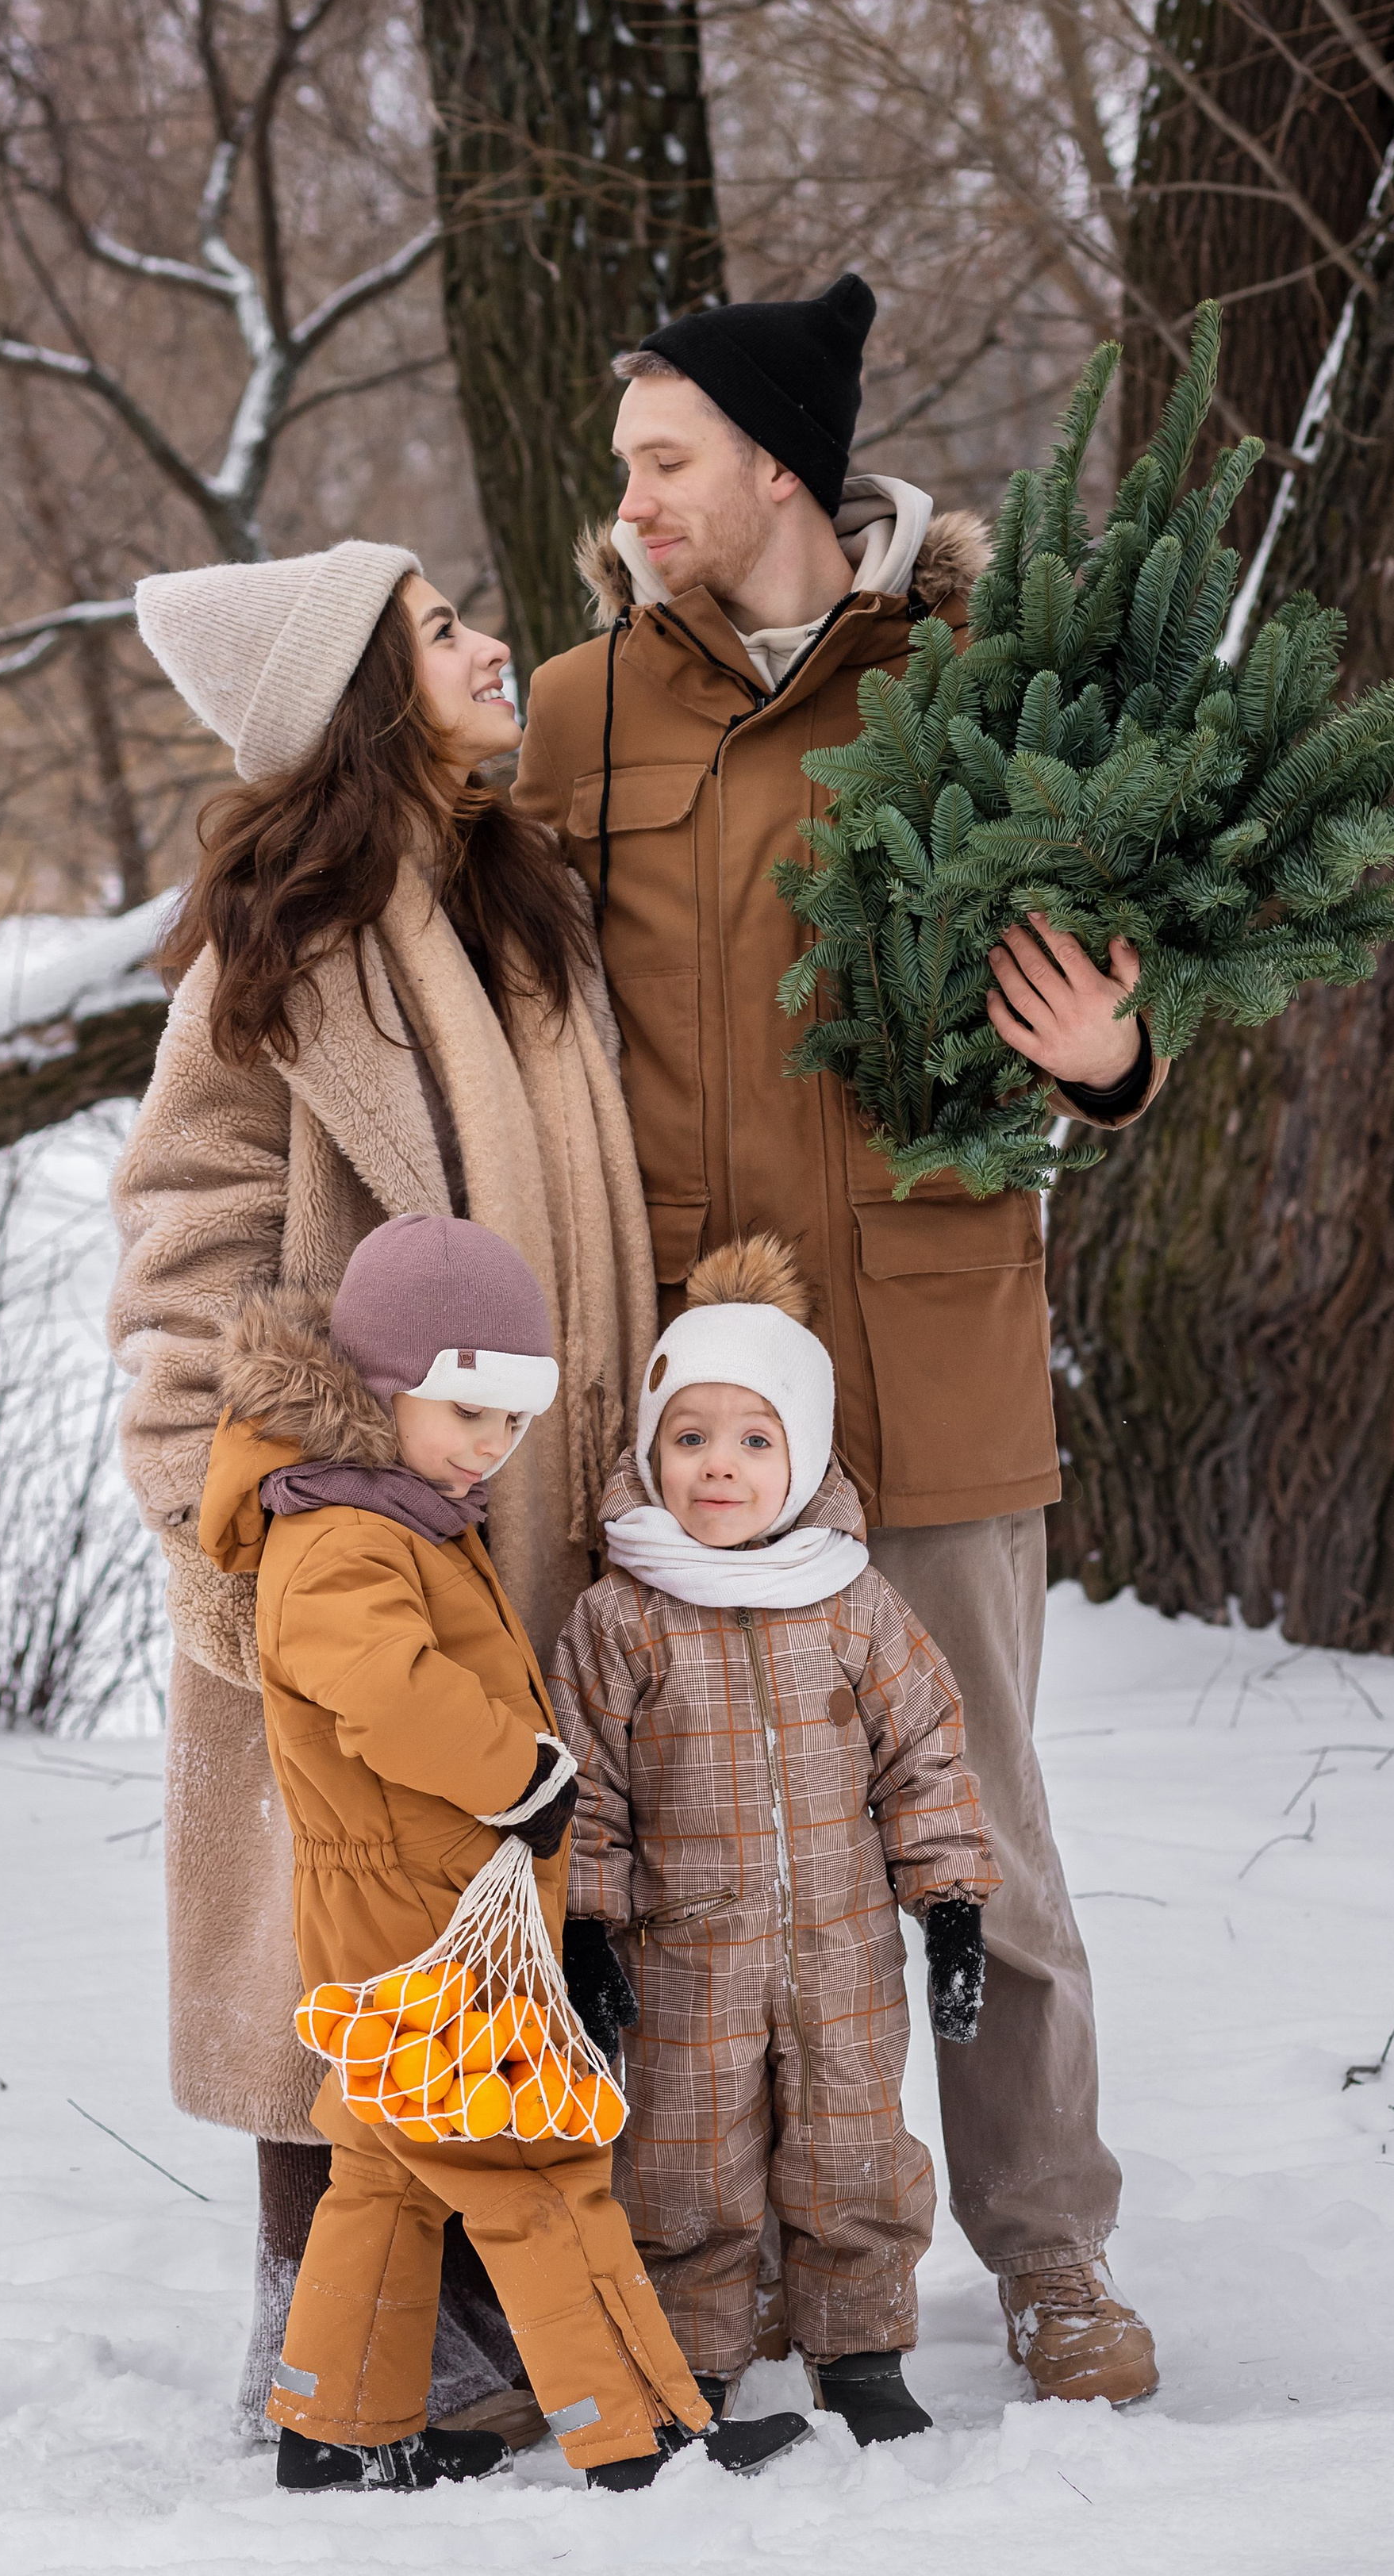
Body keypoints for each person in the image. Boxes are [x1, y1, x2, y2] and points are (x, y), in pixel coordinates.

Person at [513, 274, 1166, 2405]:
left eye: (666, 460)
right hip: (687, 1388)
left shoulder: (979, 687)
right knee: (693, 1858)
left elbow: (1150, 959)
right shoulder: (579, 711)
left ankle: (1052, 2254)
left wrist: (1117, 1062)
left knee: (977, 1827)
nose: (632, 500)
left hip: (927, 1349)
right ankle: (746, 2254)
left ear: (780, 465)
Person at [110, 542, 659, 2436]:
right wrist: (240, 1512)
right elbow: (187, 1250)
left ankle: (504, 2303)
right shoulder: (280, 949)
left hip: (533, 1508)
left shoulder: (511, 908)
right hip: (350, 1542)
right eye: (437, 632)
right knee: (334, 1933)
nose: (489, 642)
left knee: (500, 1912)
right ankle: (337, 2336)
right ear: (356, 692)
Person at [202, 1211, 811, 2491]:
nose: (491, 1448)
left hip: (422, 1905)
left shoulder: (383, 1508)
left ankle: (329, 2430)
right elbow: (382, 1687)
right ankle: (641, 2434)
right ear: (380, 1386)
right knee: (535, 2162)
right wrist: (524, 1771)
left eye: (512, 1421)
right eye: (465, 1411)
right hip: (416, 1911)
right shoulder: (340, 1533)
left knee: (386, 2170)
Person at [549, 1235, 998, 2445]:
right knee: (684, 2167)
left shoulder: (851, 1598)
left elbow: (925, 1757)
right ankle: (688, 2364)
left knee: (854, 2148)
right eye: (690, 1438)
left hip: (843, 1950)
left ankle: (860, 2352)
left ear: (800, 1456)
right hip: (683, 1955)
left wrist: (950, 1903)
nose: (720, 1468)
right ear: (653, 1452)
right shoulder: (617, 1615)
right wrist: (587, 1928)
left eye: (755, 1440)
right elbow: (582, 1791)